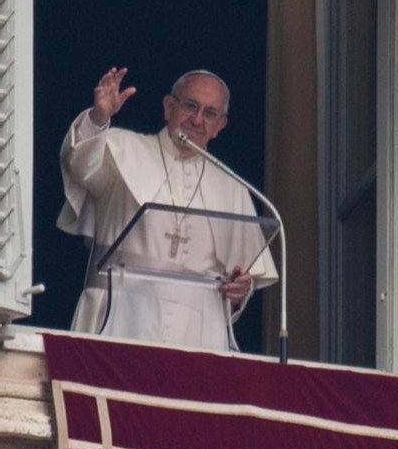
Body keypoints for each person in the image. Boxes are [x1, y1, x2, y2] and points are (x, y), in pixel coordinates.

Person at [57, 67, 278, 351]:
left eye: (209, 114)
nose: (197, 120)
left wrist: (240, 290)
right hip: (121, 321)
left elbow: (239, 281)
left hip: (199, 335)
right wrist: (99, 118)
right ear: (169, 107)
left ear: (220, 126)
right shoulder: (121, 148)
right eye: (190, 106)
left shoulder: (233, 187)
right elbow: (79, 163)